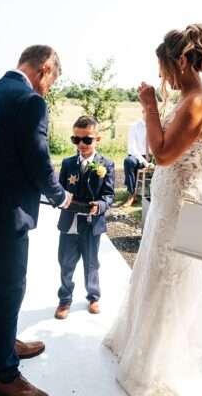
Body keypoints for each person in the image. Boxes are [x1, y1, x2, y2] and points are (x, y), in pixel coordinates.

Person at [104, 24, 202, 395]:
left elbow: (162, 154)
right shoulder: (186, 99)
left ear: (180, 61)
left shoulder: (199, 102)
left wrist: (149, 107)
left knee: (170, 278)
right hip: (167, 201)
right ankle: (136, 342)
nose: (161, 75)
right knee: (153, 270)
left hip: (182, 206)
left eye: (163, 66)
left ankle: (156, 364)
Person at [0, 45, 72, 396]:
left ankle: (6, 345)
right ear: (46, 67)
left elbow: (1, 152)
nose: (48, 88)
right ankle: (6, 377)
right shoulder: (30, 101)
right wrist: (60, 196)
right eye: (52, 79)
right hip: (7, 214)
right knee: (10, 288)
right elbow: (38, 158)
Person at [54, 116, 115, 319]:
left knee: (91, 262)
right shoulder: (68, 163)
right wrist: (60, 197)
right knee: (65, 262)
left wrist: (100, 205)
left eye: (87, 140)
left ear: (98, 139)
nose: (81, 144)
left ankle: (93, 296)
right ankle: (65, 299)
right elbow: (59, 188)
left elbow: (108, 195)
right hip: (69, 222)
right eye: (76, 140)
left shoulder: (106, 164)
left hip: (91, 223)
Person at [122, 109, 152, 207]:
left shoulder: (156, 126)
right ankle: (132, 195)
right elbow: (132, 148)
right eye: (149, 111)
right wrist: (144, 162)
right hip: (137, 156)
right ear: (143, 111)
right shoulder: (134, 126)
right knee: (128, 161)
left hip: (152, 156)